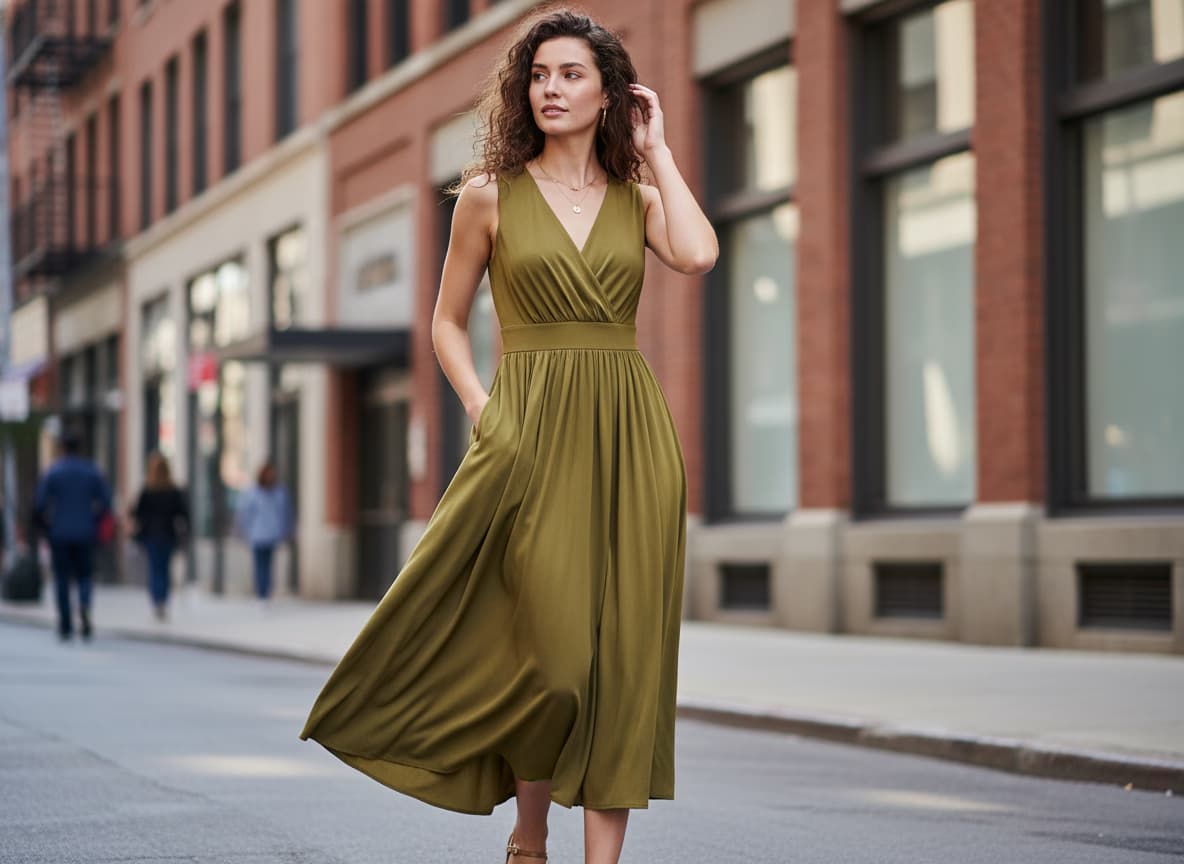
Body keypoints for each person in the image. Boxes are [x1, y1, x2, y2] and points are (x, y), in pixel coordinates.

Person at [300, 9, 717, 864]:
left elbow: (700, 252)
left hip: (631, 440)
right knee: (554, 665)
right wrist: (488, 414)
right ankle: (531, 839)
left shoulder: (637, 201)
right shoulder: (489, 196)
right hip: (528, 437)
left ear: (609, 94)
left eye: (571, 74)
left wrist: (661, 152)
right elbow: (445, 325)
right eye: (540, 74)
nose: (552, 88)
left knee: (622, 667)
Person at [33, 430, 113, 641]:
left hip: (59, 532)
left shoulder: (54, 472)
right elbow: (106, 503)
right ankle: (85, 605)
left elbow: (40, 504)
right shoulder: (91, 471)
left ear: (62, 448)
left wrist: (46, 526)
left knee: (62, 578)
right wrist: (94, 520)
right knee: (85, 574)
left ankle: (66, 623)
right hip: (85, 532)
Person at [128, 452, 189, 620]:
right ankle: (163, 600)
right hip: (168, 534)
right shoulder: (173, 490)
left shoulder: (148, 489)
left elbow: (137, 513)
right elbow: (183, 513)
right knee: (165, 569)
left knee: (155, 570)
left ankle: (157, 601)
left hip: (152, 535)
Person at [234, 462, 292, 601]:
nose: (269, 476)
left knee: (269, 565)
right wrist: (243, 531)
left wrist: (286, 530)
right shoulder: (253, 493)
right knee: (260, 565)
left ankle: (266, 591)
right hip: (257, 534)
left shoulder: (279, 492)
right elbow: (245, 513)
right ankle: (262, 593)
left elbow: (285, 513)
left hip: (272, 534)